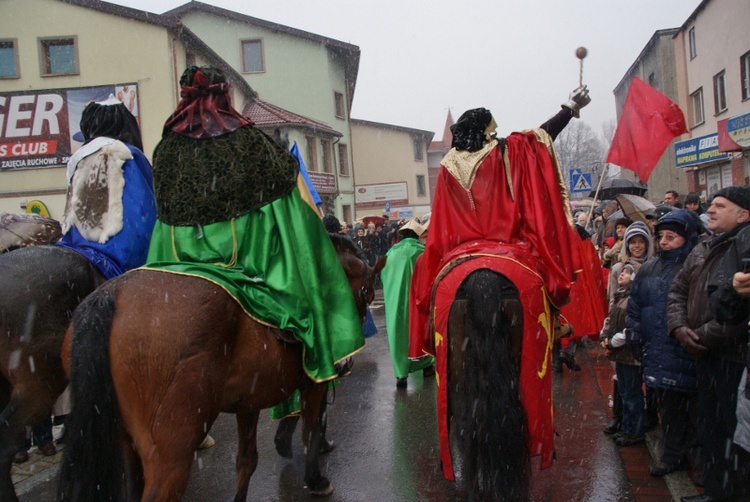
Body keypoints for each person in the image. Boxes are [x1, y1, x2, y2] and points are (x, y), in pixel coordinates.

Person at [409, 86, 590, 474]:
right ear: (489, 132)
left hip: (459, 254)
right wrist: (569, 108)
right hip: (510, 250)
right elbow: (542, 138)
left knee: (427, 287)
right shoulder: (506, 151)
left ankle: (430, 340)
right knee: (543, 288)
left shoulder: (447, 166)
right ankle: (555, 328)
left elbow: (439, 229)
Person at [145, 66, 363, 386]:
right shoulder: (249, 141)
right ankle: (319, 347)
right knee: (301, 284)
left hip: (176, 263)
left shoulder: (165, 150)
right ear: (224, 94)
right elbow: (288, 195)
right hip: (243, 261)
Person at [667, 186, 750, 502]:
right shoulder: (702, 247)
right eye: (711, 204)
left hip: (733, 358)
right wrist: (678, 328)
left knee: (735, 434)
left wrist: (701, 336)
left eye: (720, 205)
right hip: (702, 355)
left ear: (743, 214)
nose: (710, 210)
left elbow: (737, 312)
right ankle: (716, 491)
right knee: (712, 427)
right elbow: (677, 291)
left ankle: (731, 492)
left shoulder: (744, 245)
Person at [627, 210, 702, 478]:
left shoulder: (697, 265)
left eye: (672, 237)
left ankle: (701, 463)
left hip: (687, 350)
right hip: (658, 351)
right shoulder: (649, 268)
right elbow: (635, 306)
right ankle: (672, 457)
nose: (664, 242)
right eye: (661, 236)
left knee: (696, 413)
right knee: (667, 410)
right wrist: (634, 333)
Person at [381, 218, 435, 389]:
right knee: (420, 330)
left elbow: (383, 276)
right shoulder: (421, 251)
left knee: (398, 334)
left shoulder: (390, 253)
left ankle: (401, 374)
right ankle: (426, 365)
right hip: (417, 300)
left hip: (395, 301)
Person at [600, 263, 643, 445]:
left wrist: (612, 341)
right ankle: (626, 426)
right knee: (624, 392)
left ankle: (634, 431)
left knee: (632, 394)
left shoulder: (634, 298)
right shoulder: (620, 295)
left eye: (627, 272)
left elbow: (631, 328)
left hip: (631, 355)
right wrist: (604, 335)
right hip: (622, 356)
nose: (622, 274)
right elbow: (610, 318)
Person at [608, 221, 654, 305]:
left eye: (641, 242)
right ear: (627, 245)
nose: (637, 245)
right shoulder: (619, 268)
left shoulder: (653, 267)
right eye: (633, 242)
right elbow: (613, 299)